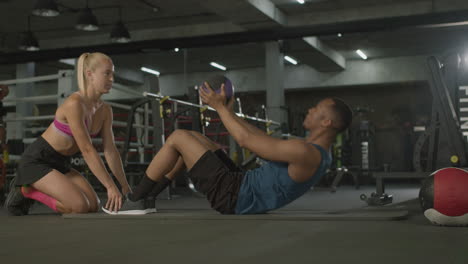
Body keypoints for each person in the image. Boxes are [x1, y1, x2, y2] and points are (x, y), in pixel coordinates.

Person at [106, 81, 353, 215]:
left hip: (235, 196)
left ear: (327, 122)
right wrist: (229, 111)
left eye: (316, 109)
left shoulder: (306, 153)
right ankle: (148, 200)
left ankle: (135, 198)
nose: (310, 110)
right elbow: (260, 140)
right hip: (240, 186)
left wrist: (219, 107)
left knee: (179, 137)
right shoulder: (315, 151)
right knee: (194, 139)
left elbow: (245, 140)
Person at [6, 52, 131, 215]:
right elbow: (87, 149)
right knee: (79, 207)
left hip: (61, 162)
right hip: (38, 161)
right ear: (89, 75)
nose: (112, 79)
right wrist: (110, 186)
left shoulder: (106, 110)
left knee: (93, 205)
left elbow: (110, 151)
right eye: (107, 73)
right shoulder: (75, 104)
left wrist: (124, 186)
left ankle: (33, 189)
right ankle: (27, 191)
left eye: (112, 73)